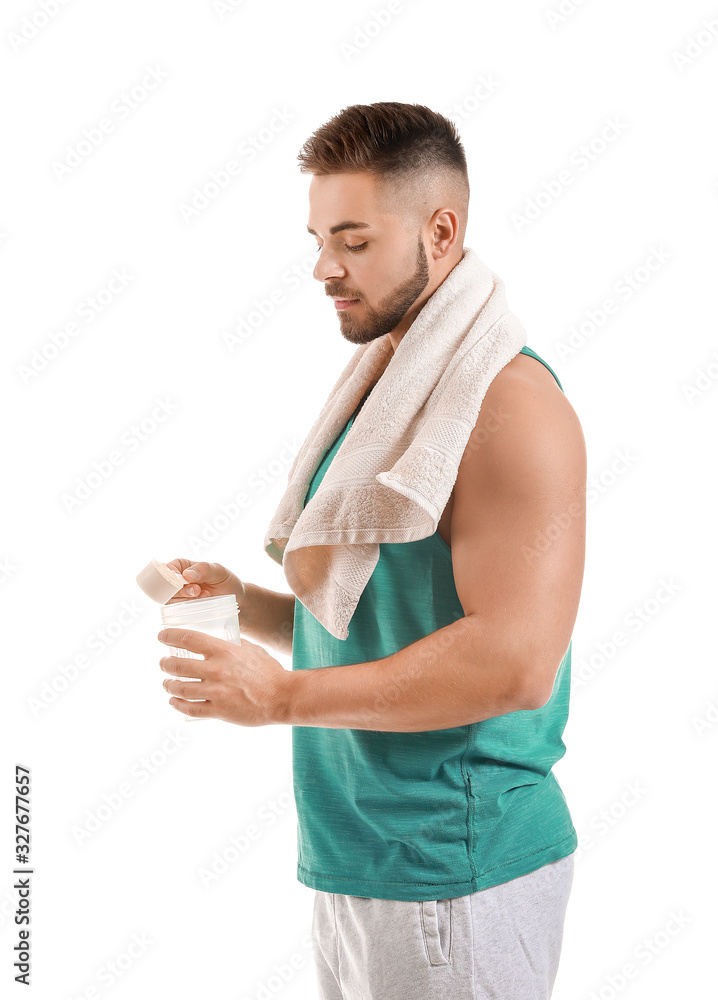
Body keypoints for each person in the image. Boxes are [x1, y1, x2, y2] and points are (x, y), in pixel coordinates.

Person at [158, 102, 587, 999]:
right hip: (360, 859)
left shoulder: (508, 407)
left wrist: (282, 699)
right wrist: (248, 606)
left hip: (459, 870)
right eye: (318, 238)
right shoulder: (391, 388)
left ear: (442, 230)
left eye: (352, 240)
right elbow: (379, 618)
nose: (323, 268)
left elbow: (514, 664)